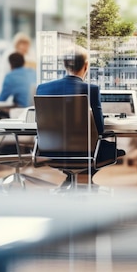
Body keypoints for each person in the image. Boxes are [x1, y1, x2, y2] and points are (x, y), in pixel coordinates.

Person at [35, 45, 125, 185]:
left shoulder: (42, 89)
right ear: (86, 65)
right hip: (86, 153)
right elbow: (99, 129)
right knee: (109, 149)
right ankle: (82, 182)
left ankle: (73, 180)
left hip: (49, 151)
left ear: (64, 64)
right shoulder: (91, 89)